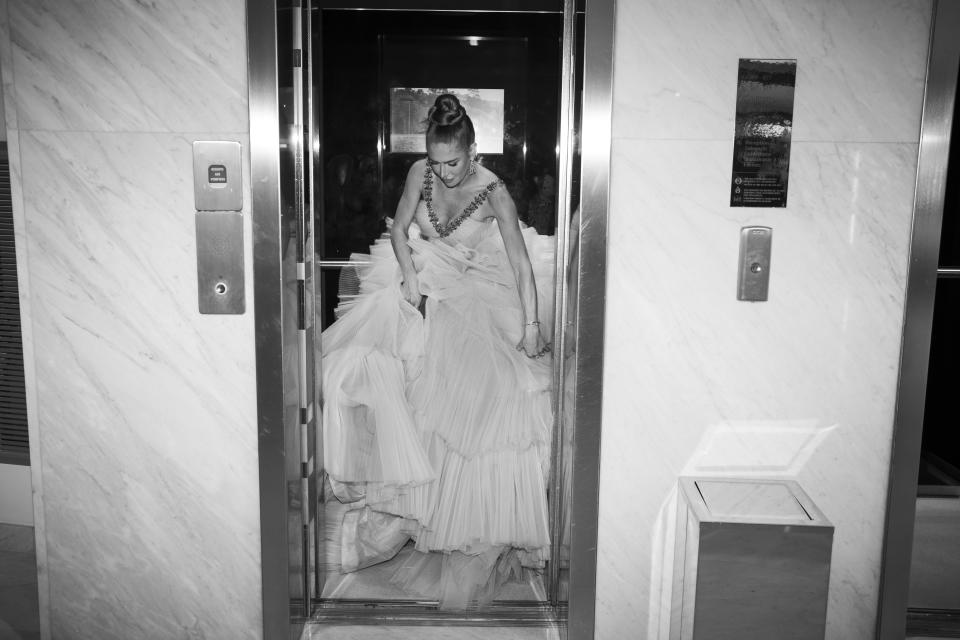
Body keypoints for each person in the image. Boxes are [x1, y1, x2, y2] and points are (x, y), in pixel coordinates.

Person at [321, 94, 556, 608]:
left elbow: (520, 266)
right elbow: (400, 229)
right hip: (423, 278)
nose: (444, 173)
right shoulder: (419, 174)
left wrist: (533, 326)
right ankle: (380, 519)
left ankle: (470, 525)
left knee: (486, 404)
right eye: (436, 162)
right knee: (377, 374)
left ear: (473, 151)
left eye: (453, 162)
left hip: (476, 288)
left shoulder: (494, 191)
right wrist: (408, 275)